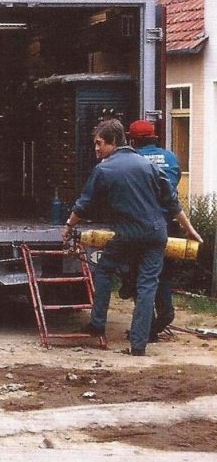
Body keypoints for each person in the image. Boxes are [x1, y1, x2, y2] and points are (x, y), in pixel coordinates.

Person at [60, 119, 202, 356]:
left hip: (129, 233)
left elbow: (84, 204)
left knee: (104, 269)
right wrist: (189, 229)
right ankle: (138, 345)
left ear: (114, 142)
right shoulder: (146, 165)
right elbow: (170, 199)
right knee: (148, 285)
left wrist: (68, 227)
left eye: (99, 144)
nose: (96, 149)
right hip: (157, 233)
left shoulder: (104, 169)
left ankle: (97, 323)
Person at [127, 119, 182, 338]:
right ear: (154, 137)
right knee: (163, 272)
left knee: (141, 275)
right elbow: (171, 189)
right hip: (167, 225)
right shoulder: (170, 157)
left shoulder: (133, 160)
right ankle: (166, 313)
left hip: (139, 225)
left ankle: (145, 328)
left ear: (132, 140)